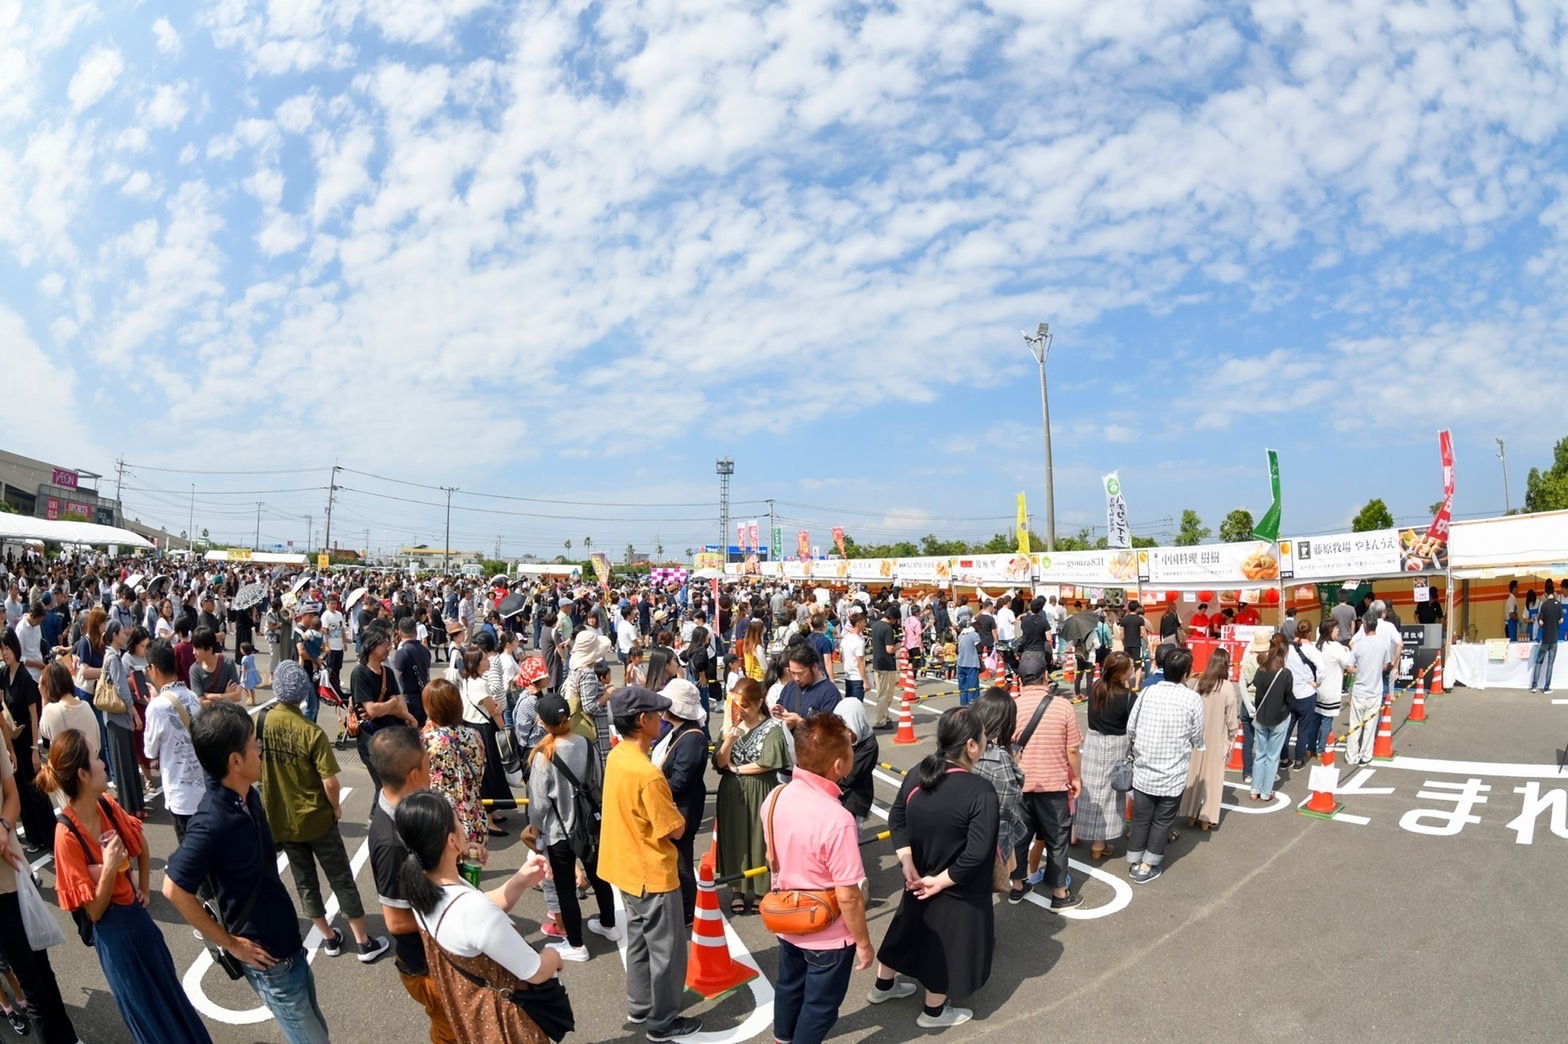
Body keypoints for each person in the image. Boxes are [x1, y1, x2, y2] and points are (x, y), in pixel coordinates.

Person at [164, 701, 331, 1043]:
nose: (260, 750)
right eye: (254, 744)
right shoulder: (212, 821)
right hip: (270, 965)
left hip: (288, 947)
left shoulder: (247, 797)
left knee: (318, 1032)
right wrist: (229, 944)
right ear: (235, 761)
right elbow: (173, 888)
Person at [38, 728, 212, 1043]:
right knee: (147, 1013)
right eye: (96, 757)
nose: (104, 763)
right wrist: (107, 870)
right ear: (82, 774)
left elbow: (141, 845)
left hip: (139, 921)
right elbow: (92, 912)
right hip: (115, 939)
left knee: (170, 997)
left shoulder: (106, 804)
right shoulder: (66, 834)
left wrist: (143, 887)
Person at [395, 789, 562, 1044]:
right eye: (459, 822)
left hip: (472, 1014)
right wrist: (553, 955)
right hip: (505, 1022)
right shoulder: (470, 909)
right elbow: (535, 971)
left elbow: (474, 917)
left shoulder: (424, 886)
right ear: (452, 841)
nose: (464, 827)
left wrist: (519, 881)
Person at [868, 706, 997, 1030]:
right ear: (970, 745)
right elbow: (978, 852)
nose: (985, 742)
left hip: (917, 876)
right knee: (946, 944)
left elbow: (897, 816)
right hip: (955, 886)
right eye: (983, 738)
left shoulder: (919, 772)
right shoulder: (980, 791)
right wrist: (940, 881)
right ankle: (934, 1012)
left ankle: (883, 986)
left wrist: (907, 860)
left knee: (906, 928)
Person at [261, 661, 391, 964]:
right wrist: (335, 807)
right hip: (317, 817)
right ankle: (363, 941)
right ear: (303, 692)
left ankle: (329, 937)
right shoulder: (310, 731)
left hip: (283, 817)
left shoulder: (264, 723)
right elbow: (330, 781)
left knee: (304, 880)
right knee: (340, 876)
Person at [598, 684, 702, 1041]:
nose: (663, 719)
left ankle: (640, 1004)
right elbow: (673, 830)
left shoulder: (617, 756)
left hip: (621, 864)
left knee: (640, 940)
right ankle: (663, 1021)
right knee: (668, 953)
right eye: (658, 714)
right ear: (643, 720)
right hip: (651, 872)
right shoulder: (649, 774)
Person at [763, 714, 874, 1044]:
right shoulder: (837, 819)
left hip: (787, 914)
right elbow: (849, 894)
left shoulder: (776, 797)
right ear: (839, 765)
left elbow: (772, 858)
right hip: (828, 932)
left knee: (789, 985)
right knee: (821, 1006)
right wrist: (864, 944)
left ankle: (783, 1037)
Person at [367, 728, 458, 1044]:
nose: (433, 771)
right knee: (452, 1031)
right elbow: (395, 921)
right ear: (415, 773)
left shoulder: (408, 807)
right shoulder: (391, 842)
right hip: (425, 967)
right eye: (428, 765)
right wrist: (454, 911)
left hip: (438, 956)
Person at [0, 717, 80, 1044]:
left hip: (17, 872)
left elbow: (12, 796)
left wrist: (4, 828)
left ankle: (69, 1037)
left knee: (44, 968)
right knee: (31, 983)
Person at [526, 694, 620, 962]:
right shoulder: (587, 745)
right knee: (599, 875)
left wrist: (533, 827)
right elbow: (599, 781)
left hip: (560, 831)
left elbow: (539, 802)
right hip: (590, 824)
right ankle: (609, 924)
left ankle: (576, 945)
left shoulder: (545, 755)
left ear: (544, 724)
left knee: (565, 887)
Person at [1006, 651, 1082, 908]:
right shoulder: (1063, 706)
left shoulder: (1011, 706)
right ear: (1046, 676)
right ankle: (1060, 894)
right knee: (1057, 839)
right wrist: (1078, 778)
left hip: (1021, 785)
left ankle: (1017, 886)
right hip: (1053, 784)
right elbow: (1072, 749)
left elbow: (1003, 746)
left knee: (1019, 837)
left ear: (1019, 680)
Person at [1124, 647, 1205, 884]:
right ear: (1186, 674)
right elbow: (1197, 735)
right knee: (1162, 820)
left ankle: (1135, 859)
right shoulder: (1191, 698)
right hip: (1172, 771)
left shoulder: (1147, 692)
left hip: (1144, 767)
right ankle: (1148, 865)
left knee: (1142, 817)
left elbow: (1131, 727)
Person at [713, 677, 788, 914]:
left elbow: (769, 762)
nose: (740, 711)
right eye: (736, 705)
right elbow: (719, 762)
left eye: (745, 705)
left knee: (759, 838)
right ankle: (737, 888)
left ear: (759, 702)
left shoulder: (772, 727)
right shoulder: (730, 726)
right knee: (734, 839)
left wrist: (736, 769)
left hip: (760, 789)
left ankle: (760, 889)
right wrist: (729, 741)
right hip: (731, 792)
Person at [653, 680, 709, 926]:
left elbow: (680, 780)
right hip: (675, 804)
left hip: (683, 807)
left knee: (683, 862)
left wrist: (654, 789)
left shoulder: (692, 738)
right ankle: (684, 906)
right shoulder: (676, 730)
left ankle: (688, 911)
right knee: (677, 859)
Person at [1079, 651, 1137, 860]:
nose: (1133, 670)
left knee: (1090, 790)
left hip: (1094, 741)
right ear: (1122, 674)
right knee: (1111, 794)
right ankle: (1099, 843)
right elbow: (1133, 727)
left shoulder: (1096, 688)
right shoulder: (1129, 697)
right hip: (1117, 745)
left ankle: (1076, 833)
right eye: (1130, 668)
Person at [1, 628, 55, 852]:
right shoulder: (3, 675)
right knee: (20, 791)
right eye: (1, 649)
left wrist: (36, 749)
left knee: (36, 789)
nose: (4, 653)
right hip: (11, 742)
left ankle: (51, 838)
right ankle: (33, 836)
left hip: (27, 742)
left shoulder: (24, 677)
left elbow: (34, 716)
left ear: (15, 647)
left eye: (7, 648)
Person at [422, 678, 490, 852]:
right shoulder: (474, 735)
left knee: (443, 876)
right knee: (468, 877)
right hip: (472, 819)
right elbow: (481, 768)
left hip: (440, 823)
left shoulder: (428, 741)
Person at [971, 687, 1027, 888]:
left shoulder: (964, 744)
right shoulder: (999, 756)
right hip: (990, 840)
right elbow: (1009, 801)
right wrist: (1015, 767)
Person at [351, 629, 418, 793]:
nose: (389, 648)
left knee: (389, 786)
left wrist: (407, 716)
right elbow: (372, 710)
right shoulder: (360, 674)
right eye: (385, 644)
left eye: (390, 644)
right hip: (371, 739)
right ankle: (378, 816)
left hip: (391, 738)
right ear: (371, 646)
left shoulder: (387, 672)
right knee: (386, 787)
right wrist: (392, 703)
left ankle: (377, 815)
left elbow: (398, 705)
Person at [1179, 647, 1238, 831]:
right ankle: (1206, 818)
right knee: (1212, 778)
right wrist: (1233, 735)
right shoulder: (1227, 687)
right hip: (1217, 737)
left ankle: (1190, 813)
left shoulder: (1200, 683)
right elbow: (1231, 719)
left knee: (1194, 774)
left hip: (1197, 736)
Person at [456, 643, 511, 836]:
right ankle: (488, 819)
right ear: (476, 663)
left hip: (474, 726)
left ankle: (492, 812)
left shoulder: (469, 680)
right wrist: (506, 731)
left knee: (485, 771)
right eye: (485, 659)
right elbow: (494, 709)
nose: (488, 661)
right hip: (483, 729)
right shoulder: (480, 683)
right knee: (488, 772)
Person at [99, 620, 146, 818]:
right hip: (119, 717)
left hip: (115, 717)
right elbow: (122, 689)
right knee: (125, 763)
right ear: (115, 635)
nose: (125, 636)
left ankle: (134, 806)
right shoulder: (113, 658)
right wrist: (134, 712)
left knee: (125, 762)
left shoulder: (112, 656)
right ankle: (133, 807)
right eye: (121, 633)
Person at [1249, 636, 1296, 798]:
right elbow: (1289, 697)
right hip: (1279, 717)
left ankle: (1255, 789)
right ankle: (1266, 792)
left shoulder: (1260, 670)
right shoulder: (1285, 674)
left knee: (1260, 754)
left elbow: (1256, 689)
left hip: (1261, 716)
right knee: (1272, 757)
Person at [1283, 619, 1323, 770]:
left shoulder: (1289, 649)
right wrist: (1317, 682)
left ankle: (1284, 757)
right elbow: (1322, 668)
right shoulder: (1312, 650)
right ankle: (1299, 760)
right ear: (1310, 632)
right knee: (1303, 729)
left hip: (1290, 692)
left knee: (1287, 727)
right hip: (1306, 692)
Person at [1314, 621, 1352, 756]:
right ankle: (1321, 749)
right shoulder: (1336, 647)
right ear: (1330, 631)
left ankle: (1311, 748)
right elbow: (1348, 663)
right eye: (1336, 628)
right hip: (1331, 689)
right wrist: (1347, 650)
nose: (1338, 631)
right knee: (1326, 721)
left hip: (1318, 689)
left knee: (1316, 719)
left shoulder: (1318, 645)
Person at [392, 616, 432, 725]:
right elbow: (428, 674)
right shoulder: (425, 650)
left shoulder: (402, 653)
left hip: (408, 699)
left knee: (408, 734)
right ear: (415, 631)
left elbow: (396, 678)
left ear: (399, 633)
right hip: (423, 696)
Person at [869, 606, 901, 729]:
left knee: (881, 692)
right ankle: (881, 720)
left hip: (877, 662)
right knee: (886, 694)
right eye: (895, 620)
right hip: (887, 664)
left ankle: (885, 716)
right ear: (892, 618)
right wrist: (898, 645)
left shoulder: (875, 626)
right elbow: (890, 649)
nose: (895, 622)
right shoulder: (888, 629)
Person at [1531, 579, 1561, 694]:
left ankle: (1534, 686)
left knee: (1539, 662)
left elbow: (1541, 622)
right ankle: (1546, 688)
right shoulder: (1558, 605)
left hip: (1545, 639)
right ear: (1553, 592)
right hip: (1554, 640)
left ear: (1546, 593)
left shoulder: (1543, 605)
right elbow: (1561, 620)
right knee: (1550, 664)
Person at [839, 609, 867, 701]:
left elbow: (841, 657)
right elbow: (860, 663)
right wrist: (865, 681)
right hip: (857, 677)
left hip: (848, 676)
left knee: (848, 705)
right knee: (857, 706)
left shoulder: (845, 638)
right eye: (864, 622)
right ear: (858, 623)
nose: (865, 624)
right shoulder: (859, 641)